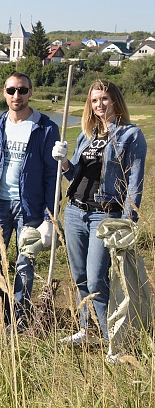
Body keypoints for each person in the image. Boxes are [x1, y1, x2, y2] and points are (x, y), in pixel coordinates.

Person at [52, 80, 146, 345]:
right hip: (74, 212)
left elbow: (135, 183)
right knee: (80, 277)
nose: (99, 104)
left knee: (96, 280)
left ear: (115, 100)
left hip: (104, 216)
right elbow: (74, 176)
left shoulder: (131, 135)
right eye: (94, 100)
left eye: (104, 98)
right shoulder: (87, 135)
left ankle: (113, 340)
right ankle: (88, 329)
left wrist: (128, 222)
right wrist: (64, 162)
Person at [0, 72, 59, 333]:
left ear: (31, 92)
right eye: (12, 90)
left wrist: (49, 217)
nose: (17, 95)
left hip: (29, 206)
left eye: (22, 90)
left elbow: (52, 175)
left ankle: (21, 315)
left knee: (25, 263)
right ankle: (0, 310)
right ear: (4, 92)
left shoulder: (45, 128)